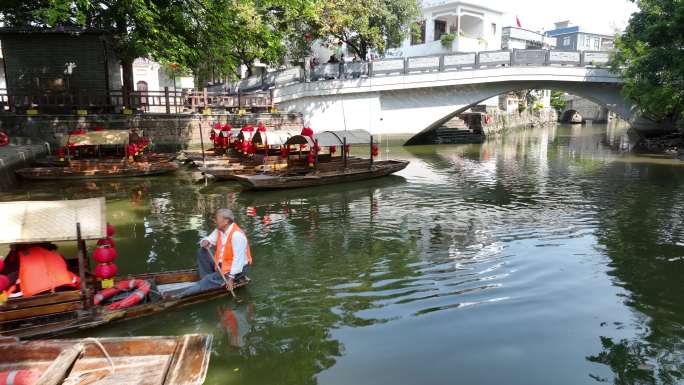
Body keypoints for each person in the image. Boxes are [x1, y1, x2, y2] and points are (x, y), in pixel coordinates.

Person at [179, 208, 252, 297]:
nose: (214, 221)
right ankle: (208, 279)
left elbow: (238, 261)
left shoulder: (237, 236)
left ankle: (179, 295)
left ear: (226, 221)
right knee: (202, 251)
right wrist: (205, 241)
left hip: (235, 270)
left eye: (216, 219)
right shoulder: (220, 230)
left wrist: (231, 278)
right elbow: (209, 239)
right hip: (221, 265)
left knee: (208, 279)